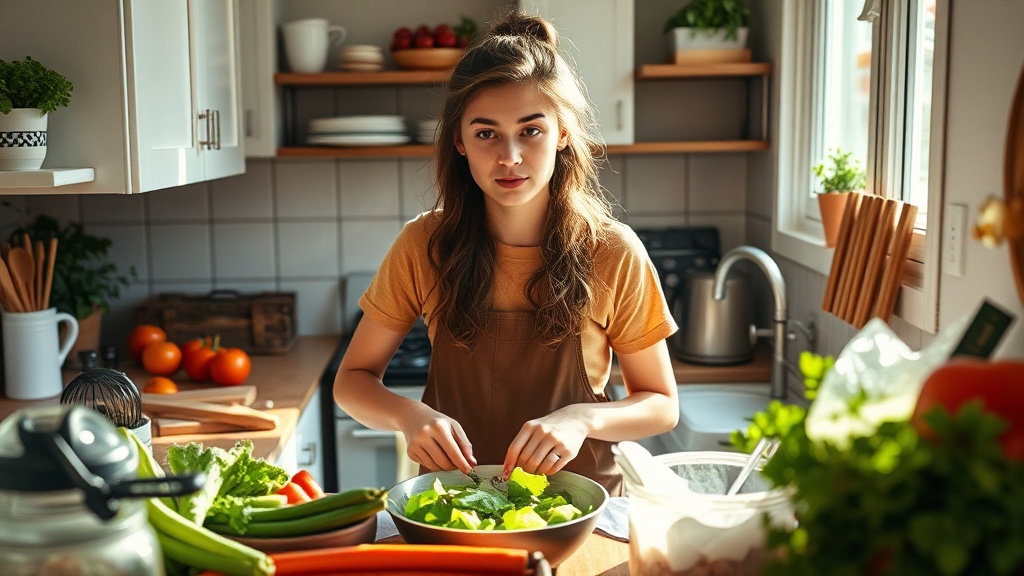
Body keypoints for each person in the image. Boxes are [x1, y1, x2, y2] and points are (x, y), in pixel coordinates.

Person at [334, 9, 678, 496]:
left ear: (563, 135)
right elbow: (352, 379)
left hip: (577, 508)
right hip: (452, 505)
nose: (509, 156)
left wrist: (581, 419)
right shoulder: (423, 245)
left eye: (531, 130)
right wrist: (407, 415)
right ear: (460, 142)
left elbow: (661, 403)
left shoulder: (612, 251)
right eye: (486, 133)